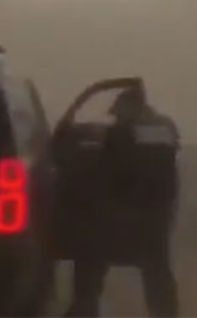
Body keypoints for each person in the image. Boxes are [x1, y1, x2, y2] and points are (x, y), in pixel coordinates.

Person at [66, 85, 181, 318]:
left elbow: (108, 168)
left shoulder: (121, 133)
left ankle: (82, 311)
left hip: (121, 215)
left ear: (132, 107)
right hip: (154, 216)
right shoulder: (164, 128)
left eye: (119, 112)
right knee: (157, 274)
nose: (116, 117)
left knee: (91, 262)